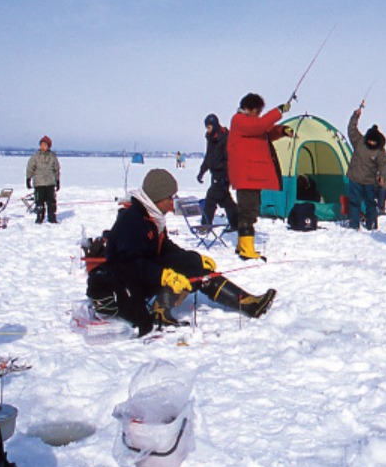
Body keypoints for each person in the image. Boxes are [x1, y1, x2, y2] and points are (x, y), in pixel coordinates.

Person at [85, 169, 276, 336]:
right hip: (127, 283)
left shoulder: (151, 216)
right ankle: (162, 311)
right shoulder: (133, 221)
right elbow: (130, 263)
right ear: (157, 197)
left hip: (142, 272)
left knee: (193, 265)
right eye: (169, 198)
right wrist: (165, 276)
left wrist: (194, 258)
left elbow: (164, 246)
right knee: (189, 271)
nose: (171, 204)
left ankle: (248, 303)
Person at [228, 93, 293, 260]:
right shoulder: (239, 120)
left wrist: (282, 130)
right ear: (248, 109)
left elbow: (266, 130)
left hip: (251, 176)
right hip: (246, 176)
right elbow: (259, 126)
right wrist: (278, 111)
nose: (259, 114)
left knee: (250, 210)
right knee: (248, 211)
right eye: (257, 111)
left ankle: (243, 245)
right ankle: (246, 249)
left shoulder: (250, 123)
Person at [346, 106, 386, 230]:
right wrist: (355, 116)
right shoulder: (359, 141)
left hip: (370, 181)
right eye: (369, 141)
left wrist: (383, 176)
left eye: (373, 142)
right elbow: (351, 130)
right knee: (354, 203)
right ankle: (354, 225)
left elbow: (383, 164)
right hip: (355, 178)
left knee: (370, 203)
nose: (371, 143)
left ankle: (372, 225)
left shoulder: (380, 151)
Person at [197, 114, 238, 228]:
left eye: (209, 127)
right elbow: (208, 156)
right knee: (226, 201)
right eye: (207, 127)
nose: (207, 129)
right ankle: (237, 223)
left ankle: (205, 225)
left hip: (223, 175)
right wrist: (202, 171)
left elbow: (229, 158)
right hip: (214, 174)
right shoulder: (210, 138)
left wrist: (226, 176)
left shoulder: (225, 138)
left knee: (211, 199)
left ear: (215, 125)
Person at [25, 135, 61, 224]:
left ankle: (52, 218)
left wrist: (57, 180)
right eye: (41, 145)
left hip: (50, 183)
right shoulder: (35, 157)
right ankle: (39, 218)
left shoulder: (52, 157)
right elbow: (30, 168)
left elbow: (56, 169)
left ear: (48, 146)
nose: (43, 147)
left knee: (51, 202)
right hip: (39, 183)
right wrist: (28, 178)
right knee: (39, 202)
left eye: (45, 145)